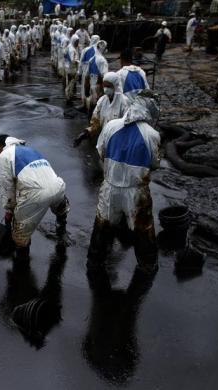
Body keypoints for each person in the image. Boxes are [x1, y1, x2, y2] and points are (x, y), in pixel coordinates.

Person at [87, 90, 161, 275]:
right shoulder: (151, 135)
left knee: (102, 227)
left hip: (109, 188)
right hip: (136, 192)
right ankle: (147, 267)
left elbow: (100, 151)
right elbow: (154, 164)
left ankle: (94, 263)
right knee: (143, 229)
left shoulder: (111, 126)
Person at [0, 135, 70, 263]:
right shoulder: (30, 150)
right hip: (58, 186)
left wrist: (9, 211)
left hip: (36, 196)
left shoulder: (4, 156)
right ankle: (61, 230)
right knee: (61, 208)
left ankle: (22, 268)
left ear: (0, 146)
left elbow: (6, 187)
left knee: (20, 236)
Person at [74, 72, 130, 145]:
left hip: (119, 143)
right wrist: (84, 133)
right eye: (104, 86)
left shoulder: (124, 103)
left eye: (109, 86)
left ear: (115, 86)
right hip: (104, 141)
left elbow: (127, 126)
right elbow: (96, 122)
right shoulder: (102, 101)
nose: (106, 89)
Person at [83, 40, 109, 115]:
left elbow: (87, 76)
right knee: (97, 109)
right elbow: (104, 76)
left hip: (92, 86)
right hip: (98, 87)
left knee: (91, 106)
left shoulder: (91, 59)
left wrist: (86, 89)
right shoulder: (102, 60)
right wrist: (103, 89)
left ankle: (90, 122)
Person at [64, 35, 80, 103]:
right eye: (77, 42)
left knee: (70, 82)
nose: (77, 43)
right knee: (71, 82)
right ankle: (68, 96)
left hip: (68, 67)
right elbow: (72, 60)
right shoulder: (72, 49)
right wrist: (79, 62)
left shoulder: (69, 46)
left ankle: (69, 95)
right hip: (71, 68)